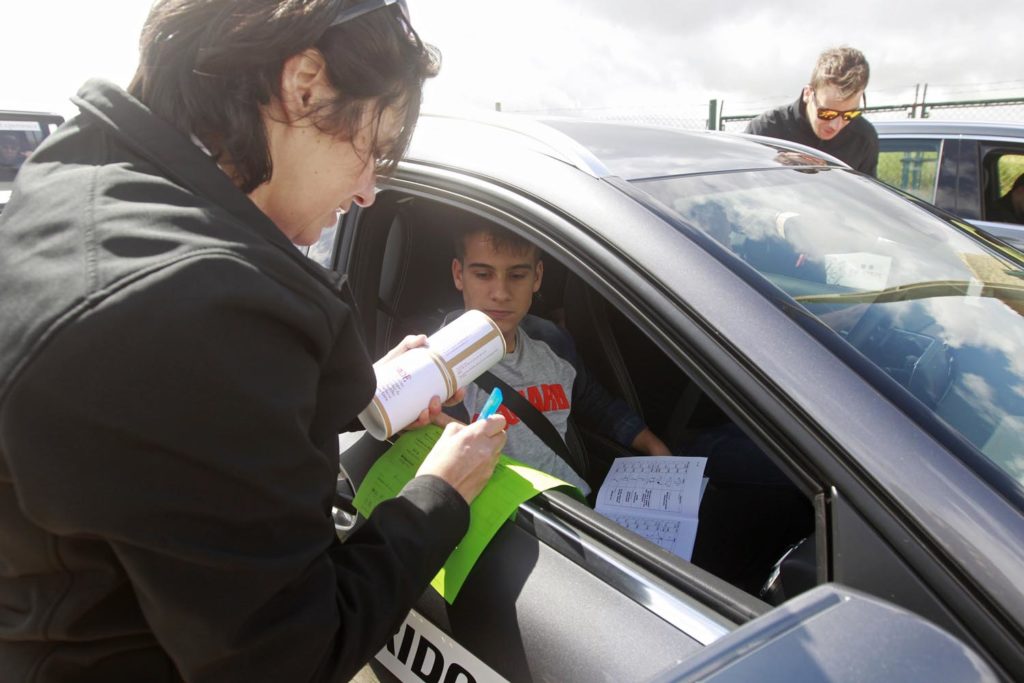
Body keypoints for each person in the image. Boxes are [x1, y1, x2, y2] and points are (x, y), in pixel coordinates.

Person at [0, 1, 507, 681]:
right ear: (305, 86)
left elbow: (162, 443)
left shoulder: (88, 187)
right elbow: (288, 654)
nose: (366, 192)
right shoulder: (191, 312)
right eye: (374, 151)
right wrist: (438, 494)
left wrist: (364, 389)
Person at [450, 226, 671, 496]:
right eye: (483, 274)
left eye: (517, 275)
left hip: (574, 502)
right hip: (510, 519)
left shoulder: (551, 340)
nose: (501, 293)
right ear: (459, 275)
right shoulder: (437, 366)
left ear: (537, 277)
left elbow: (596, 404)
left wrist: (653, 446)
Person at [745, 46, 878, 176]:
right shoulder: (765, 130)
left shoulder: (863, 138)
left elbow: (866, 194)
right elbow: (739, 185)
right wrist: (773, 164)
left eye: (850, 115)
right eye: (827, 114)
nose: (835, 125)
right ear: (808, 93)